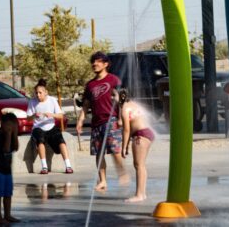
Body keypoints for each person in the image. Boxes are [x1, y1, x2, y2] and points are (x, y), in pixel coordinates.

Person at [76, 51, 128, 191]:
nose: (94, 64)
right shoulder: (90, 85)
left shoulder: (113, 80)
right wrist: (80, 120)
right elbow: (86, 105)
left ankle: (122, 173)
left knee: (115, 150)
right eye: (93, 61)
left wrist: (121, 118)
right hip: (96, 122)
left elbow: (122, 100)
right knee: (99, 153)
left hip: (111, 119)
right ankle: (102, 181)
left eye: (98, 61)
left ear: (105, 64)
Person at [27, 79, 73, 174]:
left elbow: (60, 116)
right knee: (40, 139)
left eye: (40, 93)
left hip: (51, 126)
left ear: (45, 92)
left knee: (60, 140)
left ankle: (68, 166)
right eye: (36, 93)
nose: (38, 95)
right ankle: (44, 167)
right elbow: (28, 119)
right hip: (38, 127)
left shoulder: (52, 100)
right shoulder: (32, 102)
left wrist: (51, 115)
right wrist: (34, 116)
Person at [119, 88, 154, 202]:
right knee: (140, 165)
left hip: (140, 135)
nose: (111, 98)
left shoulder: (125, 108)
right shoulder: (133, 104)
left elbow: (126, 130)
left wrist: (124, 147)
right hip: (146, 133)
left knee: (139, 165)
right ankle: (142, 194)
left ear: (122, 96)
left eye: (113, 95)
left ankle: (139, 195)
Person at [0, 112, 20, 224]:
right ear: (3, 124)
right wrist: (8, 135)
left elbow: (15, 148)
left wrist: (14, 135)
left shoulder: (11, 135)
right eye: (11, 125)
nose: (13, 127)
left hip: (7, 169)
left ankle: (7, 215)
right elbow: (6, 149)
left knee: (7, 193)